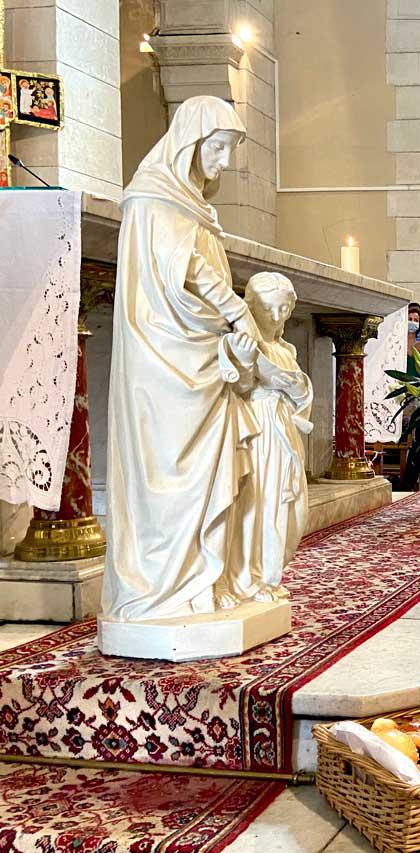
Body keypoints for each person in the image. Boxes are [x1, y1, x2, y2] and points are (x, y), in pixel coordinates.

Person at [103, 96, 261, 621]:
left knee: (208, 469)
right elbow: (182, 269)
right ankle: (165, 587)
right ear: (190, 142)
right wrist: (233, 309)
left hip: (198, 353)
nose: (223, 162)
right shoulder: (153, 199)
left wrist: (229, 320)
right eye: (217, 148)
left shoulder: (190, 205)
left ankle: (204, 579)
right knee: (168, 467)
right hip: (164, 355)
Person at [218, 272, 313, 607]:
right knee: (258, 504)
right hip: (257, 432)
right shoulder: (244, 343)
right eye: (270, 309)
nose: (276, 318)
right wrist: (246, 363)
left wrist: (294, 387)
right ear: (252, 307)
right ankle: (249, 578)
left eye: (284, 310)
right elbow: (238, 387)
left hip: (284, 430)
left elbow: (301, 395)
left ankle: (270, 573)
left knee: (288, 505)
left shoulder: (283, 348)